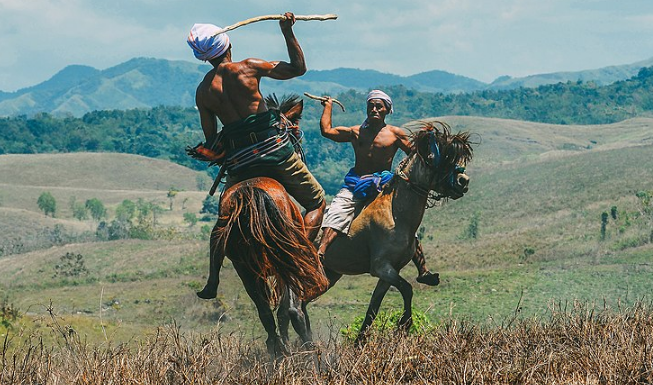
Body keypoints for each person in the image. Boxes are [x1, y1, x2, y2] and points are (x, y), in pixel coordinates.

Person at [187, 12, 326, 299]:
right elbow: (297, 68)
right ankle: (300, 253)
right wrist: (287, 31)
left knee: (224, 222)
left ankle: (213, 280)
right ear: (228, 45)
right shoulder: (248, 67)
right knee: (317, 201)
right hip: (276, 154)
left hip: (240, 163)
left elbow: (212, 139)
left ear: (203, 57)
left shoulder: (203, 91)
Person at [318, 90, 439, 285]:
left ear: (387, 110)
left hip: (383, 188)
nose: (374, 109)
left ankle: (423, 270)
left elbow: (416, 156)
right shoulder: (356, 132)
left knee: (406, 227)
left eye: (379, 106)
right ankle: (321, 252)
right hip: (355, 184)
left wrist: (428, 140)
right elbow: (327, 131)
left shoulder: (395, 134)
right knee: (337, 213)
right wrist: (328, 107)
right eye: (371, 106)